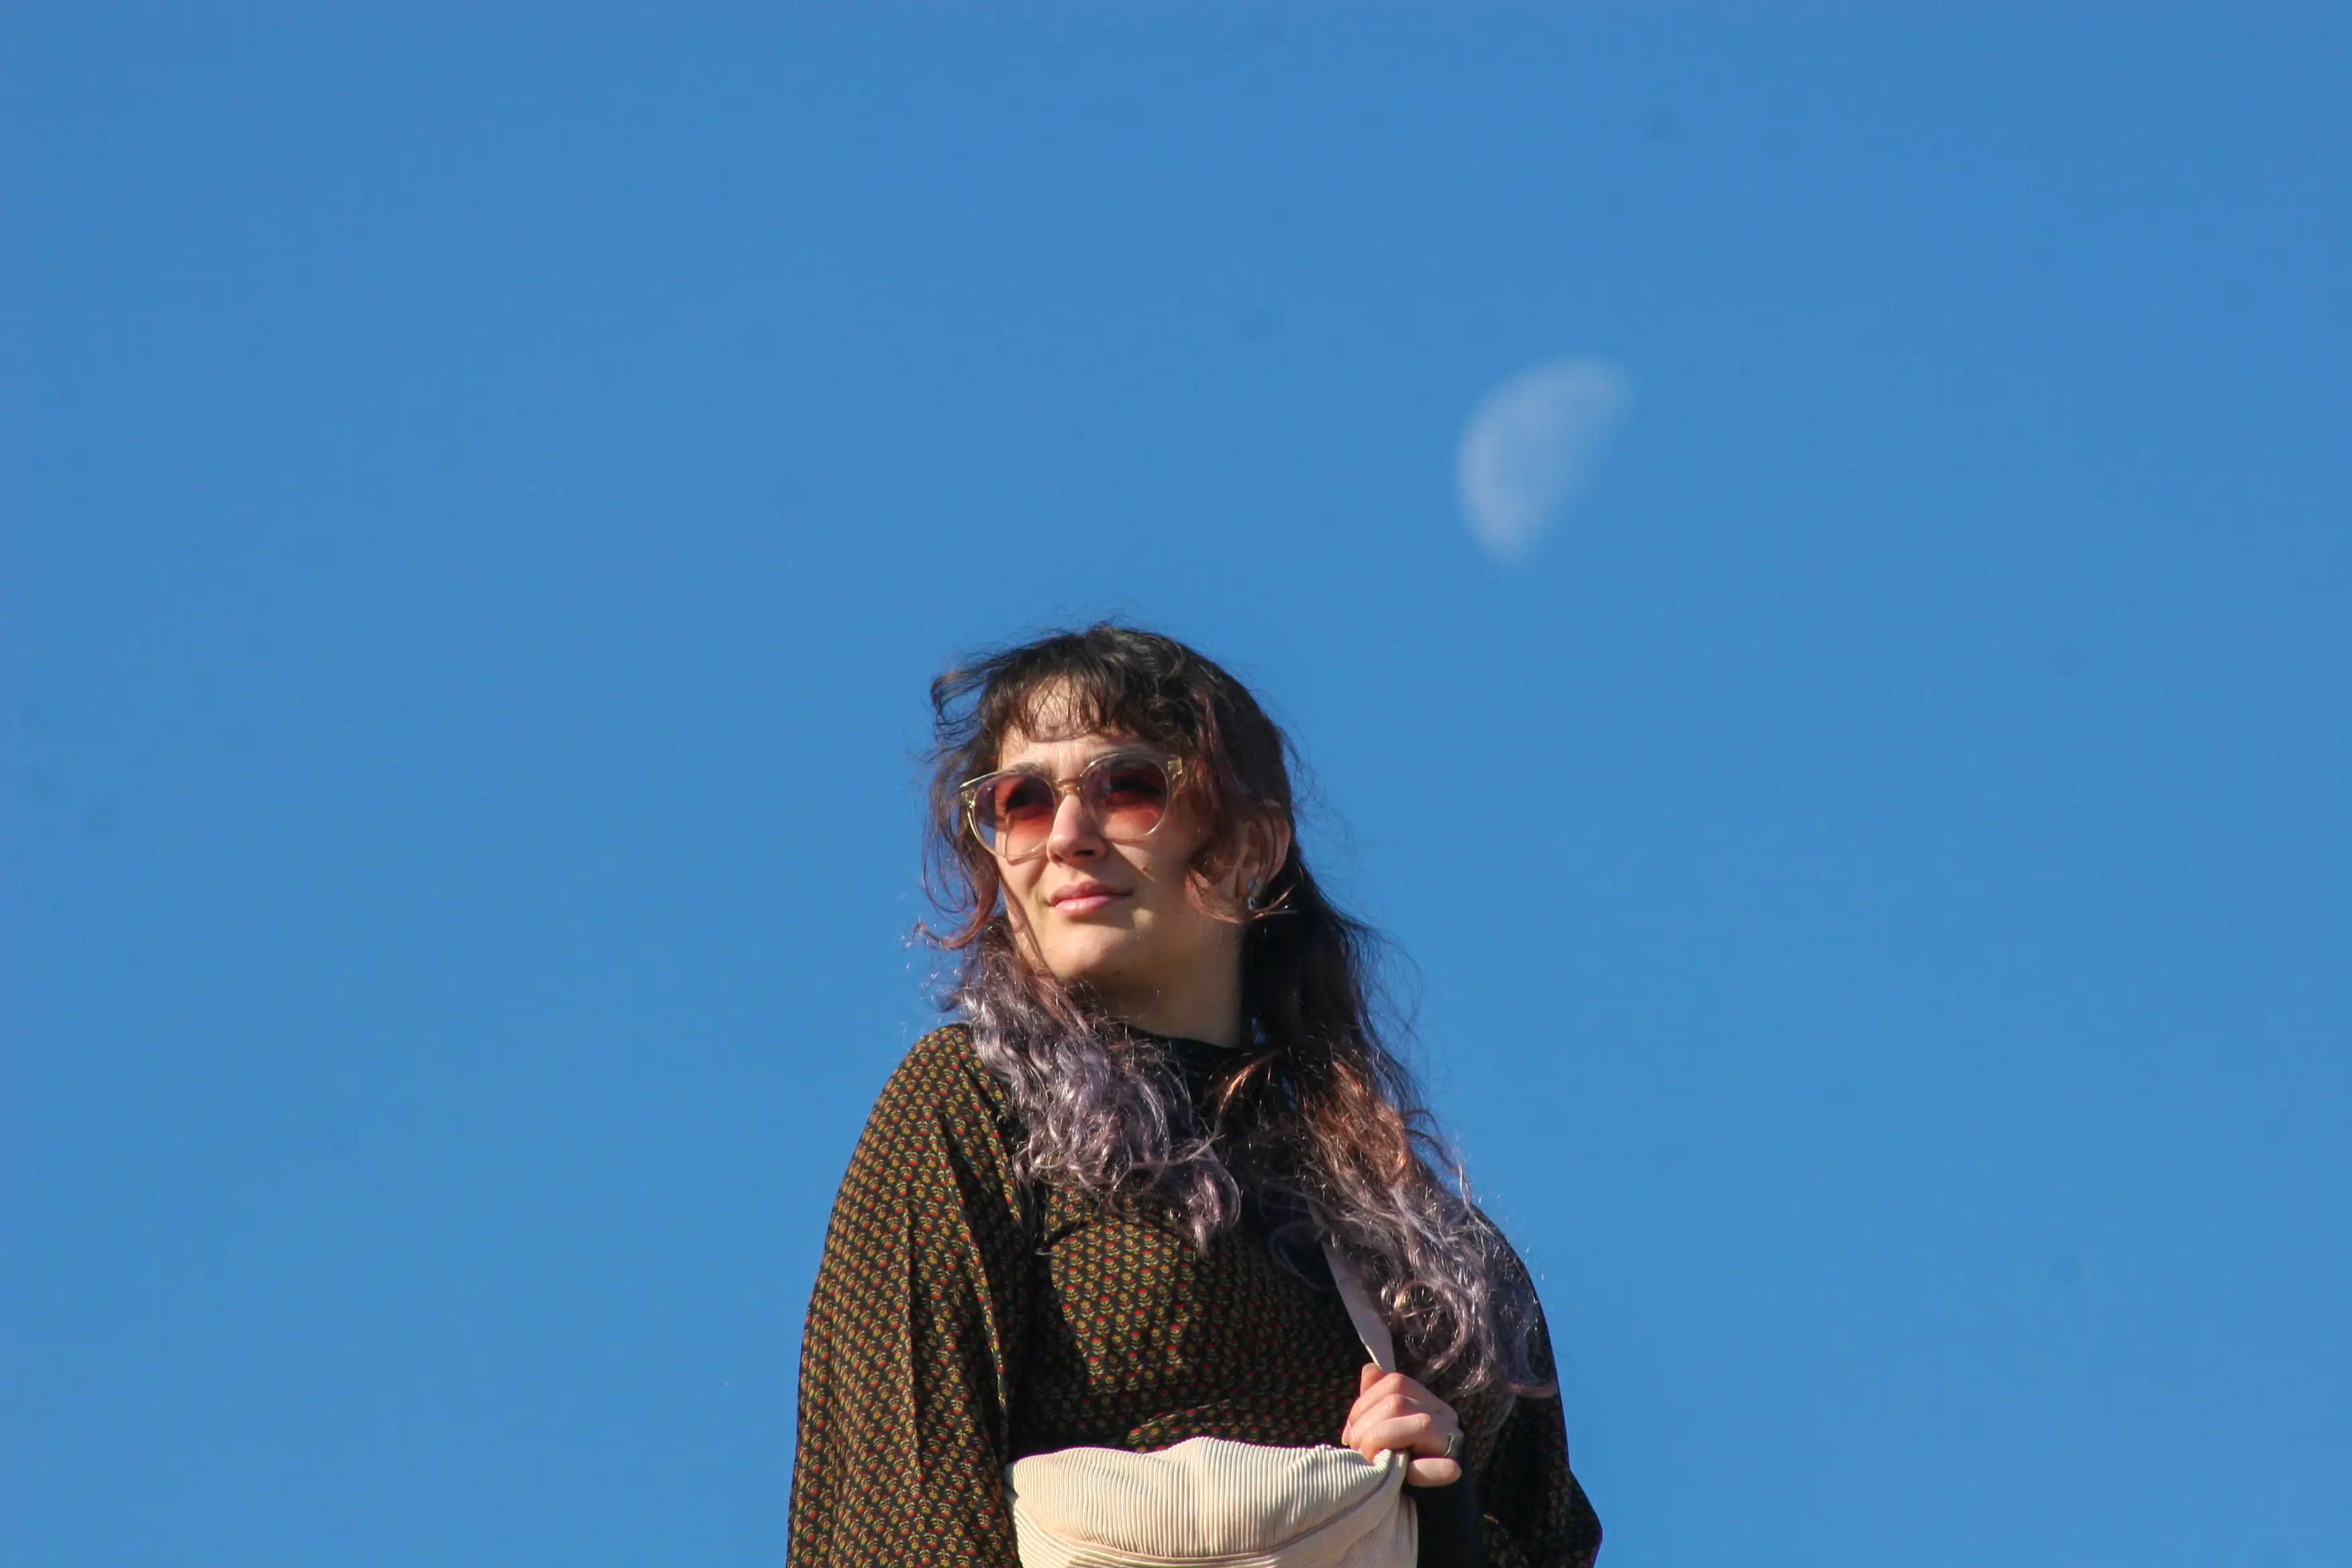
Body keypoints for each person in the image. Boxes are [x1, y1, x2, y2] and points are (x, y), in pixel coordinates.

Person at [787, 624, 1602, 1568]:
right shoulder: (971, 1106)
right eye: (1020, 801)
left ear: (1252, 843)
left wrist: (1442, 1505)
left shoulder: (1425, 1249)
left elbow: (1545, 1547)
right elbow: (896, 1510)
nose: (1066, 837)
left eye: (1125, 786)